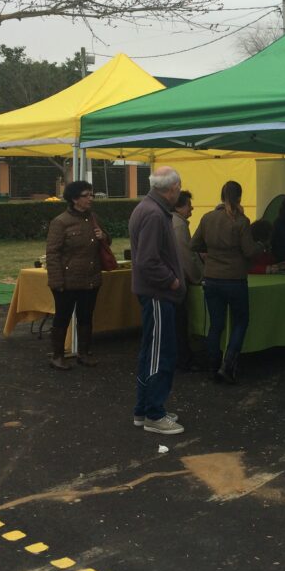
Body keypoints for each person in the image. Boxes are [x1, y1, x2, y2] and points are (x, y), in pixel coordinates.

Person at [129, 166, 186, 434]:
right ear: (172, 188)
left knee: (150, 352)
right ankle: (154, 413)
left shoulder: (149, 208)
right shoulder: (154, 214)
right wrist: (172, 281)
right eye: (179, 188)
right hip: (158, 294)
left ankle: (144, 410)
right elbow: (148, 261)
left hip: (155, 293)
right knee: (160, 354)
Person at [191, 180, 260, 384]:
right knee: (240, 321)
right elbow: (249, 251)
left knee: (216, 325)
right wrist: (260, 246)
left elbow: (194, 243)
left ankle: (213, 366)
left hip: (212, 278)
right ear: (239, 197)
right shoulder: (241, 221)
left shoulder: (207, 217)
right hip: (235, 278)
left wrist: (211, 252)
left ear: (221, 196)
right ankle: (228, 364)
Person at [45, 179, 109, 370]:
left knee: (86, 317)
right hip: (67, 280)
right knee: (62, 318)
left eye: (92, 195)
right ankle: (57, 355)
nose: (90, 198)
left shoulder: (94, 218)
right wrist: (56, 281)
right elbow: (52, 253)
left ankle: (84, 353)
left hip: (91, 279)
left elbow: (106, 241)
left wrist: (103, 237)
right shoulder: (60, 222)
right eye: (86, 195)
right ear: (74, 199)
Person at [172, 190, 204, 371]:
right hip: (177, 281)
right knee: (179, 321)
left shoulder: (172, 222)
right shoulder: (179, 226)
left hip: (171, 279)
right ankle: (182, 359)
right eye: (188, 205)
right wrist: (198, 277)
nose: (192, 208)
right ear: (179, 206)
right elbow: (185, 256)